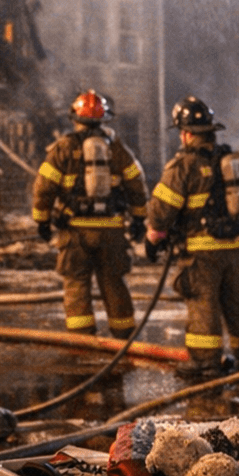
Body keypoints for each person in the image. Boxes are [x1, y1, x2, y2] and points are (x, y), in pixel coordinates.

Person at [145, 95, 239, 379]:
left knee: (202, 303)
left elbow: (161, 212)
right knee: (237, 303)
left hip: (203, 250)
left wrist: (153, 238)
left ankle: (204, 362)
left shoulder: (183, 165)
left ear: (186, 134)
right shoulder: (230, 160)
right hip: (238, 248)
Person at [30, 89, 148, 338]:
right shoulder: (118, 149)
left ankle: (82, 339)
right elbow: (137, 184)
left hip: (75, 230)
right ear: (104, 119)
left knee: (76, 283)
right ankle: (124, 335)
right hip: (111, 230)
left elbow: (43, 188)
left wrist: (42, 220)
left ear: (75, 119)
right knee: (114, 282)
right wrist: (139, 218)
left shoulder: (63, 148)